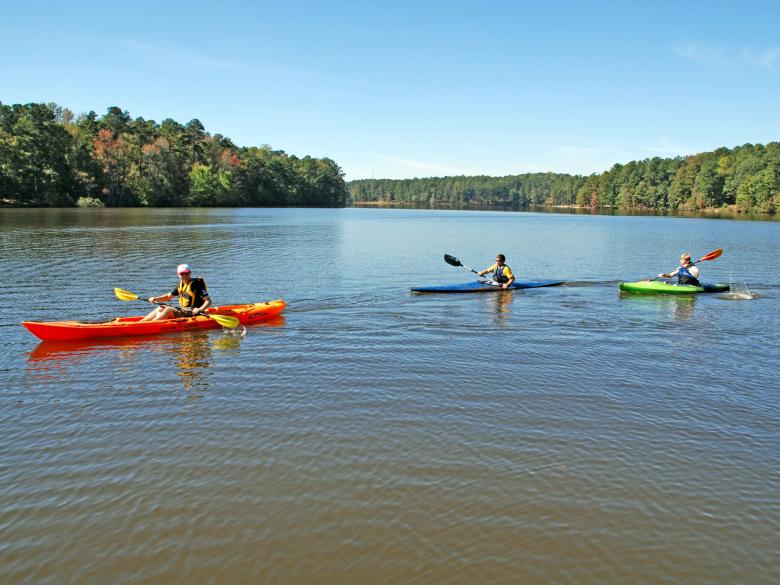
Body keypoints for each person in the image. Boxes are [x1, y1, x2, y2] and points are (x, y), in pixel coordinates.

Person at [139, 263, 212, 322]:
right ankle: (141, 323)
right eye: (182, 273)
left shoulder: (196, 284)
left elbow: (208, 301)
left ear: (190, 273)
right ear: (178, 274)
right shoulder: (180, 285)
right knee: (161, 307)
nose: (184, 275)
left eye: (186, 273)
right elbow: (168, 297)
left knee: (168, 309)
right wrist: (155, 298)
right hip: (184, 310)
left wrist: (200, 309)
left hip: (193, 312)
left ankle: (151, 324)